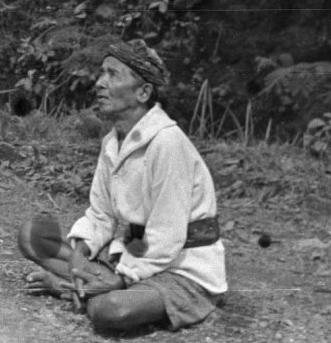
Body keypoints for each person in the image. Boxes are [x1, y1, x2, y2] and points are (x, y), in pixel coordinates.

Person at [17, 39, 226, 333]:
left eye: (113, 75)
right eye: (102, 73)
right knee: (31, 235)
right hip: (132, 259)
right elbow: (100, 214)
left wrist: (121, 278)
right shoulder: (112, 142)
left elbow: (166, 236)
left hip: (181, 270)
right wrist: (79, 257)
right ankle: (87, 285)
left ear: (143, 92)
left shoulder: (167, 143)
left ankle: (75, 290)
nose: (100, 84)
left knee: (111, 310)